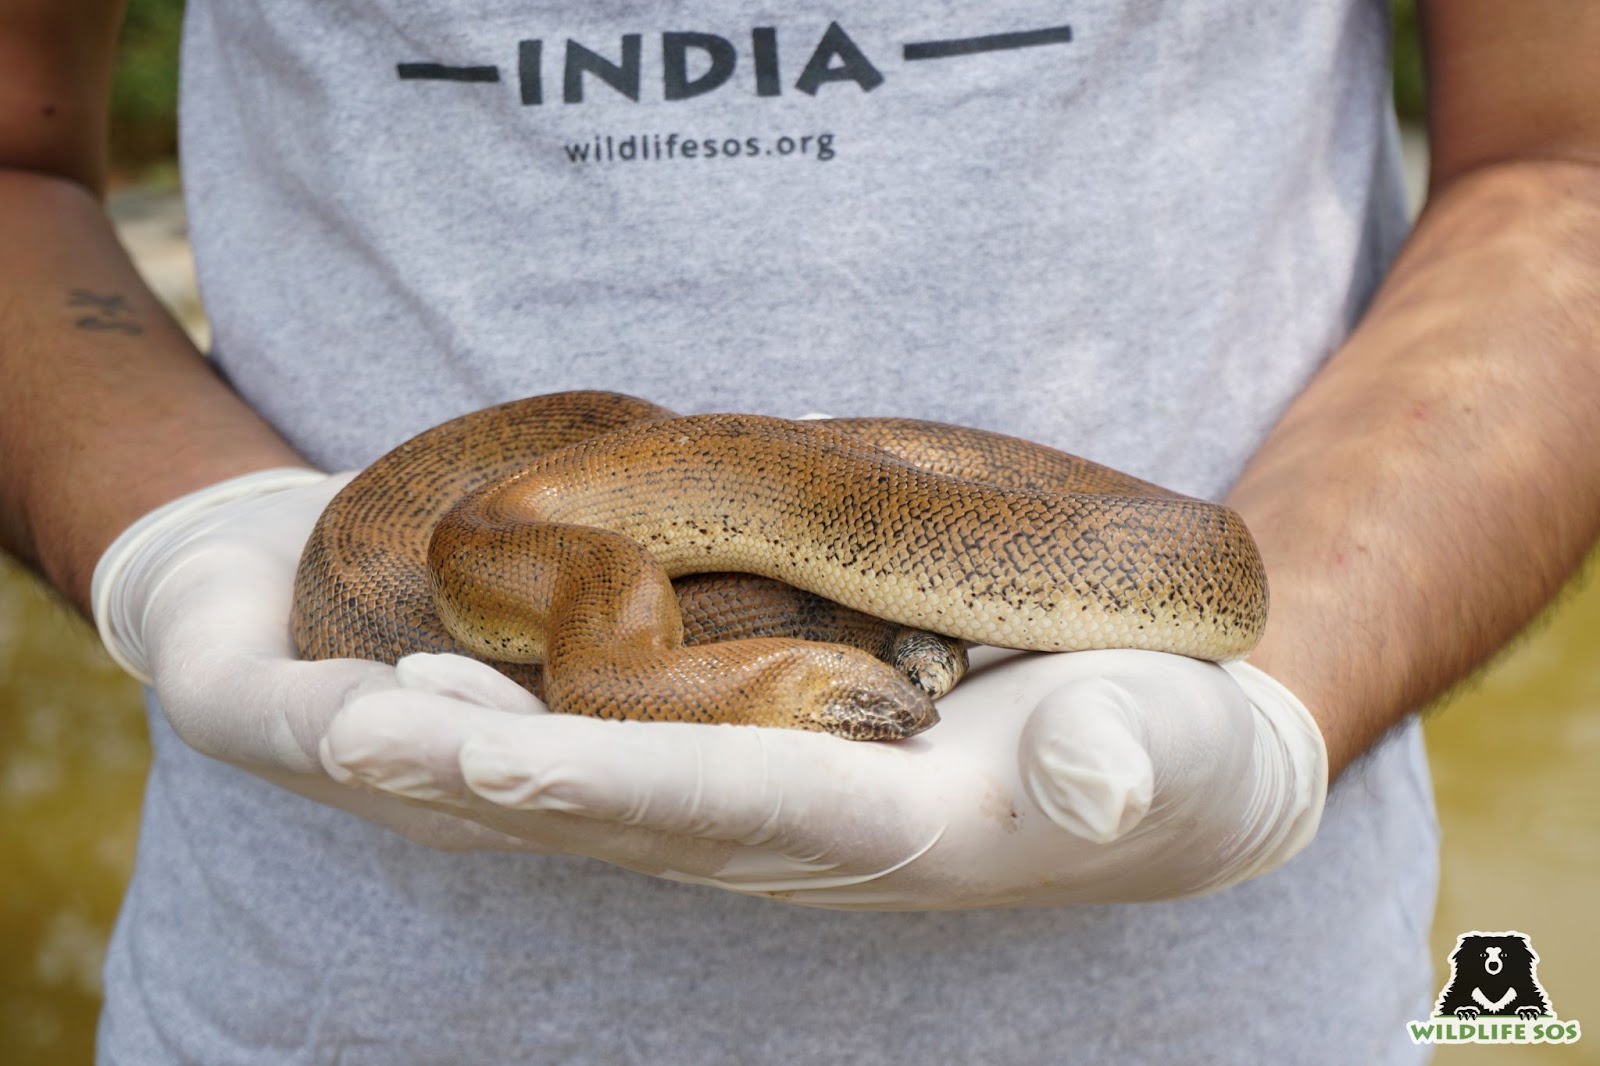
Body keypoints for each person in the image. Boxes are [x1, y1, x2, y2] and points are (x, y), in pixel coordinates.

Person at [2, 0, 1597, 1061]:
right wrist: (171, 524)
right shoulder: (566, 577)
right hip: (301, 1005)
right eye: (870, 696)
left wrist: (1291, 697)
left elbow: (1568, 158)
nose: (891, 725)